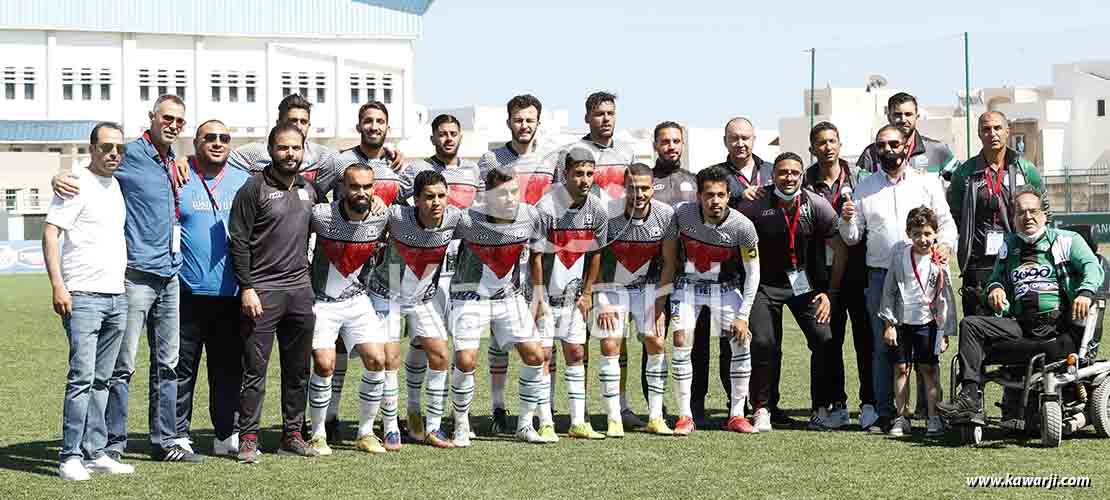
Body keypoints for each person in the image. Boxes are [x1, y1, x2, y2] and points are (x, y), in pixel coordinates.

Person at [52, 95, 200, 462]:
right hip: (134, 274)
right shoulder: (128, 154)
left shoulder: (172, 161)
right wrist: (58, 176)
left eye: (180, 121)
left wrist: (180, 160)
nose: (174, 125)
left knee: (168, 363)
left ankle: (165, 441)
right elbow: (92, 170)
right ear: (151, 118)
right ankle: (112, 444)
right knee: (122, 366)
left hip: (170, 273)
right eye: (167, 118)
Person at [938, 188, 1104, 422]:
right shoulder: (1009, 245)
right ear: (1013, 219)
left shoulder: (1068, 241)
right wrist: (994, 288)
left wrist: (1085, 292)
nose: (1027, 217)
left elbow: (1093, 268)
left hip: (1059, 330)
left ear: (1045, 214)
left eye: (1033, 211)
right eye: (1020, 213)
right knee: (971, 325)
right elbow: (996, 279)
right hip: (1021, 326)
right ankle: (969, 399)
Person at [839, 124, 957, 433]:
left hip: (924, 274)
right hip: (880, 276)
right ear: (876, 150)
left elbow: (945, 223)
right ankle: (886, 413)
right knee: (885, 347)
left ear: (907, 146)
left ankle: (931, 413)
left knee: (927, 350)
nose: (888, 149)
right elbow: (852, 238)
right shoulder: (864, 187)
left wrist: (945, 245)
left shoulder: (927, 182)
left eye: (894, 143)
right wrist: (847, 218)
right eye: (881, 145)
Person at [229, 122, 324, 463]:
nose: (290, 154)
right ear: (271, 150)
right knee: (254, 369)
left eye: (296, 148)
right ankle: (249, 438)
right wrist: (247, 287)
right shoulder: (253, 188)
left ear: (303, 151)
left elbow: (335, 217)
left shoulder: (310, 189)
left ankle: (292, 435)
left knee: (298, 369)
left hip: (300, 291)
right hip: (262, 292)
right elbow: (238, 240)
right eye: (283, 148)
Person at [45, 122, 134, 480]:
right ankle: (69, 457)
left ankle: (95, 452)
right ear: (92, 148)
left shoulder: (116, 185)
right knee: (82, 379)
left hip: (117, 296)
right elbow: (51, 233)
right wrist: (58, 285)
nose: (113, 153)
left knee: (104, 380)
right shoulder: (75, 183)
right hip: (82, 295)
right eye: (107, 147)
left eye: (119, 148)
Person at [317, 101, 409, 441]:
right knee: (339, 345)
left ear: (388, 126)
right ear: (359, 125)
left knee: (388, 349)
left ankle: (390, 423)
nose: (374, 126)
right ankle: (331, 416)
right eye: (368, 121)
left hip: (388, 271)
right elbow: (318, 195)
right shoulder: (340, 161)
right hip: (346, 269)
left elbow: (407, 214)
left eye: (380, 121)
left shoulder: (400, 167)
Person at [449, 167, 554, 444]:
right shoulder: (467, 219)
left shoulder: (530, 215)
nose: (509, 199)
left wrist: (539, 297)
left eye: (513, 192)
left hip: (509, 297)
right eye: (502, 194)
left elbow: (536, 258)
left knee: (535, 356)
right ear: (487, 196)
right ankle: (461, 423)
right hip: (468, 296)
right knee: (465, 360)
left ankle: (524, 426)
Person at [398, 114, 483, 441]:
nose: (448, 138)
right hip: (424, 271)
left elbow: (481, 214)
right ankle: (416, 411)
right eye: (442, 134)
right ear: (432, 137)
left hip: (461, 271)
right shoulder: (415, 169)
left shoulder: (474, 171)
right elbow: (397, 206)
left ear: (461, 136)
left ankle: (458, 418)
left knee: (459, 348)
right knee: (427, 343)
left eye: (453, 133)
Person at [739, 152, 837, 432]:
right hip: (764, 285)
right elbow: (733, 234)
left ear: (803, 175)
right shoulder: (754, 205)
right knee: (764, 343)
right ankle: (763, 407)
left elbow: (837, 244)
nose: (789, 177)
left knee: (824, 338)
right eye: (783, 172)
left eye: (795, 172)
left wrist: (828, 291)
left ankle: (820, 408)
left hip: (803, 286)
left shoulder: (815, 204)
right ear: (773, 175)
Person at [366, 170, 464, 449]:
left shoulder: (456, 218)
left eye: (441, 196)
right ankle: (390, 428)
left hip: (423, 297)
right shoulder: (397, 217)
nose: (436, 202)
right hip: (387, 293)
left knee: (441, 354)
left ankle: (433, 427)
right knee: (390, 359)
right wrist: (375, 199)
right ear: (416, 200)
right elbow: (373, 212)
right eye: (429, 197)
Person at [174, 120, 252, 458]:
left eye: (224, 137)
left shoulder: (243, 181)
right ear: (196, 142)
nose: (218, 143)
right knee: (180, 369)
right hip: (184, 292)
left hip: (230, 293)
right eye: (210, 138)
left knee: (228, 370)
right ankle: (176, 434)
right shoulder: (177, 175)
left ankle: (225, 435)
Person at [693, 117, 777, 425]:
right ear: (725, 141)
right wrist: (741, 197)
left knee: (758, 341)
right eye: (734, 138)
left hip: (763, 268)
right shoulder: (717, 175)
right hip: (722, 271)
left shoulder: (770, 170)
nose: (740, 143)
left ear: (755, 139)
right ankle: (701, 405)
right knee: (700, 342)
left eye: (745, 137)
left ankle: (759, 405)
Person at [303, 162, 390, 456]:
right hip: (321, 303)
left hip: (357, 300)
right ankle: (317, 434)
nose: (361, 192)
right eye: (355, 186)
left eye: (367, 187)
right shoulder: (321, 215)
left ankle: (366, 432)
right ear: (342, 188)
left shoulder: (382, 216)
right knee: (325, 364)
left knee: (377, 360)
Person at [475, 94, 550, 435]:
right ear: (509, 122)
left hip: (534, 247)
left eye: (530, 119)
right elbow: (482, 201)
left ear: (538, 122)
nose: (524, 125)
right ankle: (497, 408)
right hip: (496, 251)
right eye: (518, 119)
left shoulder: (552, 158)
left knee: (536, 337)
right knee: (496, 339)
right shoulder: (491, 158)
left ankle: (540, 415)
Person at [670, 165, 760, 435]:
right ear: (699, 196)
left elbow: (753, 272)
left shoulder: (743, 226)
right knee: (680, 340)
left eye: (720, 195)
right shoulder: (682, 214)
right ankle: (685, 415)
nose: (715, 201)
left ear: (729, 195)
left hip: (725, 288)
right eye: (709, 195)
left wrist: (743, 315)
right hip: (688, 287)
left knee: (741, 341)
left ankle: (736, 415)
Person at [591, 163, 678, 435]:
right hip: (612, 287)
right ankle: (615, 415)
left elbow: (669, 263)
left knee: (655, 338)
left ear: (653, 188)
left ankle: (655, 416)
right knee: (610, 343)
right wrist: (601, 300)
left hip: (647, 288)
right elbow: (596, 258)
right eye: (632, 188)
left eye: (644, 188)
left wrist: (660, 305)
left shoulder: (666, 215)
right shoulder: (608, 214)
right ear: (623, 188)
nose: (638, 193)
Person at [802, 122, 875, 431]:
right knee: (828, 341)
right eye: (821, 142)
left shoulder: (862, 179)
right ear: (812, 149)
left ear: (840, 144)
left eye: (832, 141)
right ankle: (834, 404)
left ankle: (870, 403)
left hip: (859, 272)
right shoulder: (803, 182)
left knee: (866, 340)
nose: (827, 147)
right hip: (821, 276)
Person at [535, 147, 610, 439]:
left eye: (590, 174)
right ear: (565, 174)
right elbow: (536, 256)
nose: (585, 179)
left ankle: (578, 422)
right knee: (543, 356)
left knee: (576, 352)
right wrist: (538, 296)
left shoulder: (598, 209)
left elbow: (596, 255)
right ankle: (546, 420)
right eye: (578, 173)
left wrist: (588, 292)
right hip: (544, 298)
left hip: (574, 298)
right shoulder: (546, 207)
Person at [948, 111, 1050, 317]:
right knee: (977, 326)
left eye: (997, 128)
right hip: (978, 262)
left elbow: (1044, 211)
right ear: (979, 134)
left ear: (1007, 131)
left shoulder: (1026, 169)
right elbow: (954, 214)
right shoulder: (965, 173)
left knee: (1016, 326)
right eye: (986, 129)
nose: (992, 133)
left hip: (1017, 257)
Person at [877, 206, 957, 438]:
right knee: (901, 368)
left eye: (927, 234)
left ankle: (934, 417)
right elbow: (889, 290)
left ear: (935, 234)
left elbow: (946, 298)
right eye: (916, 234)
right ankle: (902, 417)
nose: (922, 239)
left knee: (929, 369)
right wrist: (889, 324)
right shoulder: (899, 254)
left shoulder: (939, 259)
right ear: (908, 233)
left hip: (929, 324)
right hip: (902, 323)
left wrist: (945, 332)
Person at [857, 92, 959, 179]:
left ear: (917, 116)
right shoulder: (871, 154)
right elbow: (860, 189)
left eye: (908, 114)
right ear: (888, 117)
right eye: (897, 114)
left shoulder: (936, 149)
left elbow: (963, 181)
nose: (903, 119)